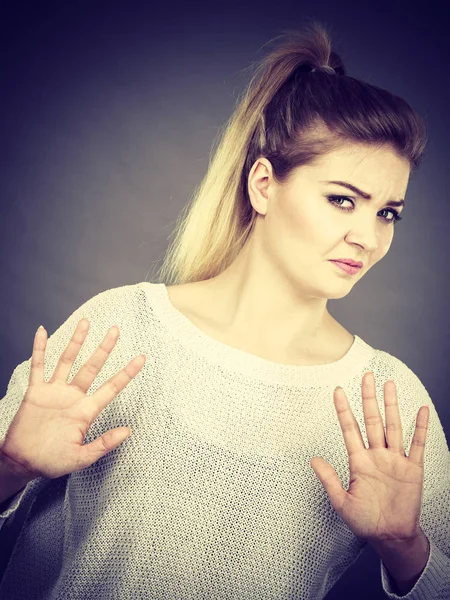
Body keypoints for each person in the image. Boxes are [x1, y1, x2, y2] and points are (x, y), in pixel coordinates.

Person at [0, 20, 448, 600]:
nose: (368, 236)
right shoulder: (122, 329)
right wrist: (11, 467)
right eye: (343, 200)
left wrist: (405, 549)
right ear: (263, 185)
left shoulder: (387, 399)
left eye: (389, 213)